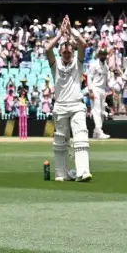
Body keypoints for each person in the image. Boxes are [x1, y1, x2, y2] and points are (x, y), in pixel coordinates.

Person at [46, 16, 91, 182]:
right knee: (60, 141)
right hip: (60, 106)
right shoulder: (55, 64)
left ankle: (83, 172)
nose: (66, 53)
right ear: (60, 52)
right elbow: (47, 49)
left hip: (76, 105)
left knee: (81, 136)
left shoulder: (78, 63)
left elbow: (83, 45)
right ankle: (61, 174)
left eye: (69, 51)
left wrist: (71, 30)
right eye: (64, 51)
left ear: (72, 51)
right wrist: (60, 34)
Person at [86, 45, 111, 140]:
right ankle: (99, 131)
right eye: (102, 54)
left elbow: (107, 79)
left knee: (101, 111)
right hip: (95, 89)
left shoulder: (106, 66)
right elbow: (89, 77)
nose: (103, 56)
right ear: (99, 55)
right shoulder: (94, 64)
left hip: (102, 90)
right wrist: (90, 90)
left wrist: (111, 89)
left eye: (105, 54)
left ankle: (96, 132)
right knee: (96, 110)